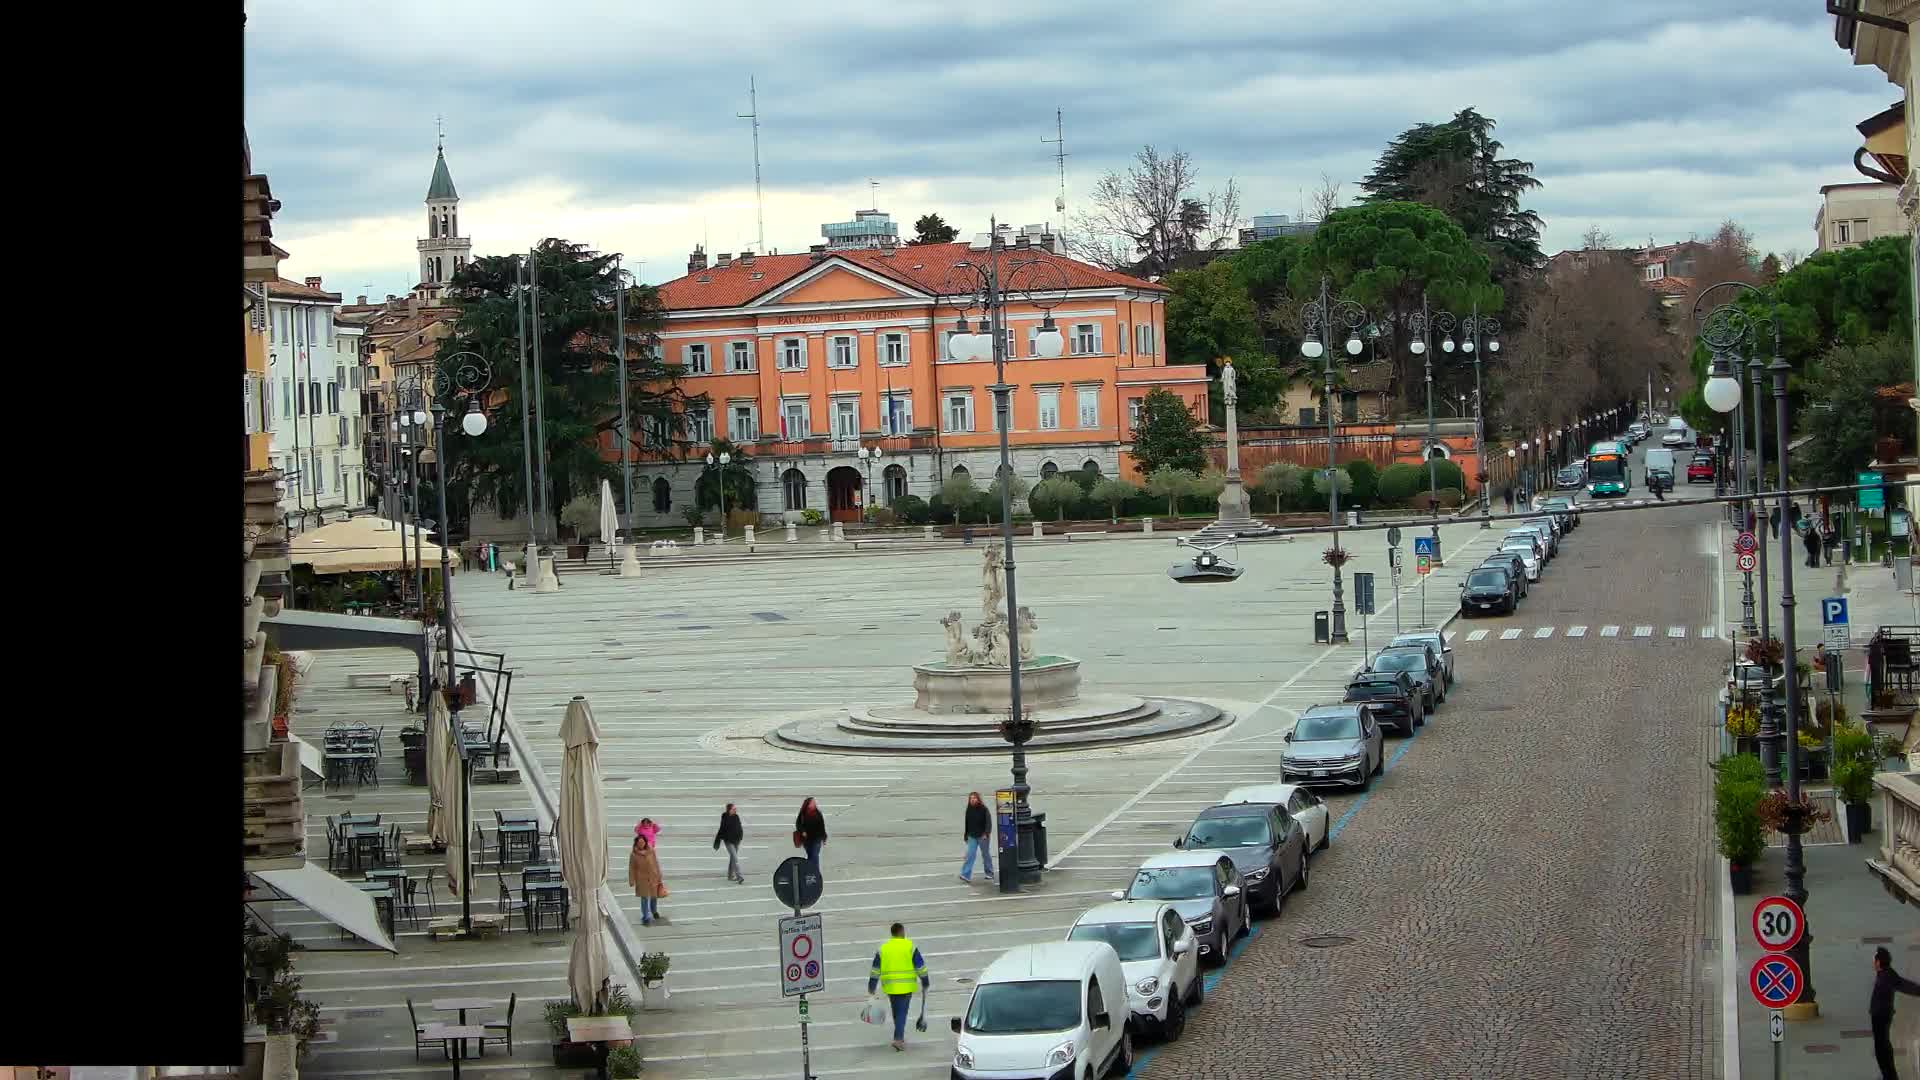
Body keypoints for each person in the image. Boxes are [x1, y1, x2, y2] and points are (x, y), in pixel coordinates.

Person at [868, 922, 930, 1051]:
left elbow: (875, 969)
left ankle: (899, 1035)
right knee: (902, 1013)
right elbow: (920, 966)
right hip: (906, 986)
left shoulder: (883, 948)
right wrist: (925, 980)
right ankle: (898, 1039)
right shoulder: (910, 946)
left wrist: (872, 986)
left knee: (897, 1011)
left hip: (890, 987)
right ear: (901, 932)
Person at [1872, 945, 1920, 1079]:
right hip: (1879, 1015)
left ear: (1879, 962)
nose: (1873, 962)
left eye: (1874, 960)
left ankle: (1890, 1076)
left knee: (1882, 1049)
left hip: (1881, 1016)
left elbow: (1904, 985)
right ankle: (1888, 1075)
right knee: (1882, 1047)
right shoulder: (1884, 973)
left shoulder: (1887, 976)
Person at [627, 819, 667, 926]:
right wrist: (631, 880)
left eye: (642, 842)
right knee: (644, 898)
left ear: (645, 842)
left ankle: (654, 911)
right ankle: (645, 916)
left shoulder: (651, 851)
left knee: (654, 896)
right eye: (639, 843)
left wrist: (659, 874)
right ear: (636, 843)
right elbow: (632, 868)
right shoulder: (634, 855)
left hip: (653, 876)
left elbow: (656, 863)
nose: (641, 844)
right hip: (641, 879)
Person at [959, 792, 995, 884]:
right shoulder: (969, 809)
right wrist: (966, 835)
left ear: (978, 799)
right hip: (972, 836)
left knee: (985, 854)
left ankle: (989, 873)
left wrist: (986, 833)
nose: (972, 800)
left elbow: (988, 822)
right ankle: (965, 874)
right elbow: (967, 823)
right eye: (971, 798)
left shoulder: (984, 809)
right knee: (970, 854)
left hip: (983, 836)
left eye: (974, 798)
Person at [794, 797, 827, 873]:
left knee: (815, 856)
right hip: (807, 839)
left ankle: (815, 872)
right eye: (812, 802)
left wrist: (824, 837)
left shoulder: (817, 813)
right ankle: (810, 871)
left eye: (814, 802)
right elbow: (798, 824)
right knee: (810, 856)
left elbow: (822, 826)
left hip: (817, 838)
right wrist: (802, 831)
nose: (814, 803)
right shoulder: (803, 814)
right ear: (808, 804)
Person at [714, 803, 745, 884]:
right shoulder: (725, 817)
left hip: (737, 840)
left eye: (735, 809)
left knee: (733, 858)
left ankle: (730, 876)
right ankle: (739, 877)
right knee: (735, 858)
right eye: (733, 809)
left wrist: (741, 835)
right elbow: (722, 829)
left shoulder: (736, 816)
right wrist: (717, 841)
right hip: (728, 841)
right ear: (729, 810)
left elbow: (739, 826)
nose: (735, 810)